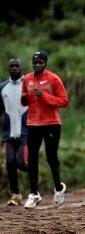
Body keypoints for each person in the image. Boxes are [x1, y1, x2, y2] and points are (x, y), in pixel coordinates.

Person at [20, 51, 69, 209]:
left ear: (45, 63)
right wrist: (24, 99)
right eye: (35, 62)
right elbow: (24, 102)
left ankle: (59, 188)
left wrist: (45, 96)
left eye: (40, 62)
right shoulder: (27, 79)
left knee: (51, 157)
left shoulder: (53, 79)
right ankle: (34, 194)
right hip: (33, 123)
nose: (37, 65)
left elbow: (64, 101)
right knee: (32, 160)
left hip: (51, 123)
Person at [0, 58, 28, 206]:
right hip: (9, 132)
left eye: (17, 66)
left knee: (22, 162)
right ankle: (15, 194)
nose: (15, 68)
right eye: (12, 66)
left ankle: (34, 182)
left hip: (26, 132)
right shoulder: (2, 88)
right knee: (10, 163)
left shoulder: (28, 85)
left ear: (22, 67)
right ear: (8, 68)